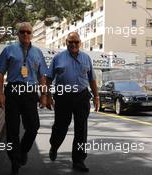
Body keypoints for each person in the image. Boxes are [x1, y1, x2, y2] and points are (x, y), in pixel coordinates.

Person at [0, 22, 48, 175]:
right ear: (17, 34)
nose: (25, 34)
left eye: (28, 32)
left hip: (30, 92)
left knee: (33, 127)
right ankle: (15, 162)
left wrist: (44, 95)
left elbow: (42, 76)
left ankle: (22, 151)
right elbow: (0, 74)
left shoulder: (38, 52)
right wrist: (0, 94)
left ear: (32, 34)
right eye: (22, 32)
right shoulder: (9, 50)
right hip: (13, 90)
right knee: (12, 129)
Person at [47, 32, 99, 172]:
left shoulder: (86, 58)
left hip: (81, 96)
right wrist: (47, 96)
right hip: (63, 96)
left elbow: (92, 79)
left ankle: (79, 160)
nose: (74, 44)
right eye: (71, 42)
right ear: (66, 42)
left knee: (81, 129)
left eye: (76, 42)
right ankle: (54, 145)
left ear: (80, 43)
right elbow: (49, 78)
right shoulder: (58, 58)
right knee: (60, 127)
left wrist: (96, 97)